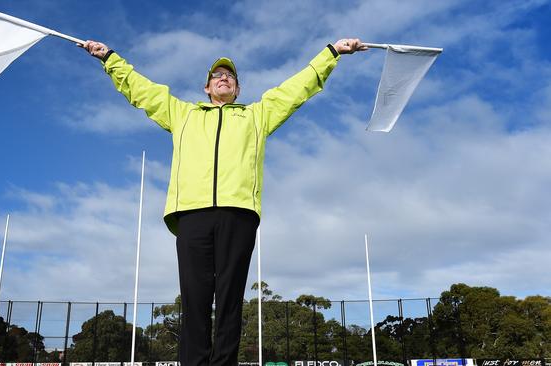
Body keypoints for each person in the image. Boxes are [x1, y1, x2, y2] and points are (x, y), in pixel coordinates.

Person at [81, 38, 366, 366]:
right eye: (217, 74)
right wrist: (110, 58)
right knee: (195, 300)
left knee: (230, 300)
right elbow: (141, 89)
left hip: (238, 213)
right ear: (206, 87)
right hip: (191, 214)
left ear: (237, 90)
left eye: (230, 76)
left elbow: (296, 88)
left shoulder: (257, 116)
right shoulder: (182, 114)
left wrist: (332, 53)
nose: (224, 78)